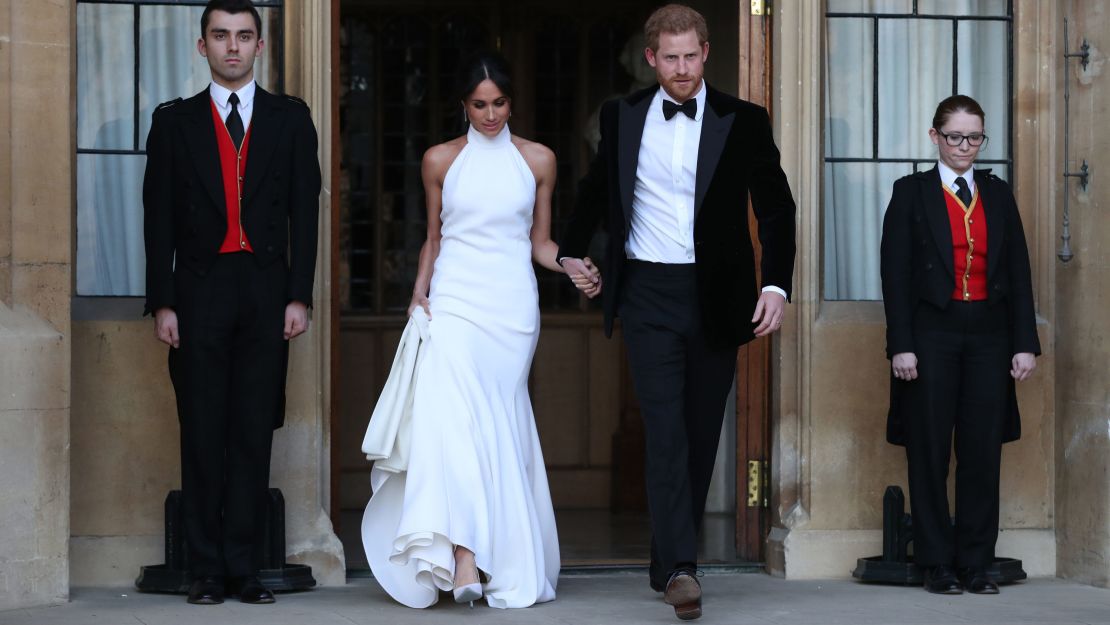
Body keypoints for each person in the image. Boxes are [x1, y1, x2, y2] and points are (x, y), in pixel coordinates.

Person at [557, 4, 796, 620]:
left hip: (717, 297)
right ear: (651, 58)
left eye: (692, 56)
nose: (683, 68)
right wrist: (569, 253)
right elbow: (596, 191)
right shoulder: (622, 115)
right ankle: (685, 569)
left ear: (707, 53)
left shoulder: (743, 120)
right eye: (671, 57)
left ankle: (669, 560)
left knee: (698, 434)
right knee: (664, 433)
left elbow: (776, 208)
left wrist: (776, 287)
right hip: (647, 295)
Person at [360, 51, 578, 609]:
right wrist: (418, 292)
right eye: (479, 104)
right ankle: (462, 555)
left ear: (511, 102)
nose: (490, 114)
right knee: (450, 423)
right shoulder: (439, 160)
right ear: (463, 104)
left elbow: (540, 244)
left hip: (511, 309)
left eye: (499, 103)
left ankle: (492, 555)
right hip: (453, 301)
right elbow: (435, 236)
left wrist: (571, 264)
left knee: (496, 427)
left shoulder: (539, 161)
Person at [143, 0, 320, 605]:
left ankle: (244, 568)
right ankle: (206, 570)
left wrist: (300, 295)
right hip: (198, 290)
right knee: (201, 429)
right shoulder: (174, 122)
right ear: (203, 47)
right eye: (221, 36)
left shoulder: (291, 120)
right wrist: (163, 302)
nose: (233, 47)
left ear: (260, 46)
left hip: (266, 290)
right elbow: (157, 221)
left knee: (251, 428)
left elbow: (307, 214)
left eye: (244, 36)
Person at [880, 95, 1039, 595]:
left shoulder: (997, 193)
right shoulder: (910, 192)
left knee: (981, 451)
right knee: (928, 451)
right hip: (931, 336)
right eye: (955, 136)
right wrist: (901, 345)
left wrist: (1024, 343)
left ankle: (975, 561)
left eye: (974, 137)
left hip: (990, 337)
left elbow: (1017, 270)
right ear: (935, 137)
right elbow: (895, 275)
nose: (964, 146)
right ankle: (936, 562)